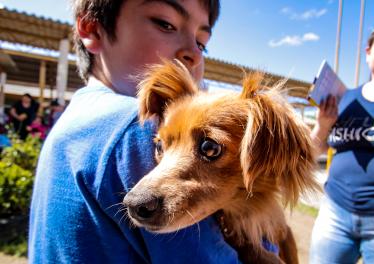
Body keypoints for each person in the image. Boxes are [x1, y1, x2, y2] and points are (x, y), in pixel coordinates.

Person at [28, 1, 278, 263]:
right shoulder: (133, 126)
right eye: (166, 24)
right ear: (92, 28)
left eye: (202, 42)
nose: (194, 52)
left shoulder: (74, 117)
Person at [309, 16, 374, 264]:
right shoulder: (344, 98)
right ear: (369, 52)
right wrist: (322, 125)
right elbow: (313, 150)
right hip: (335, 213)